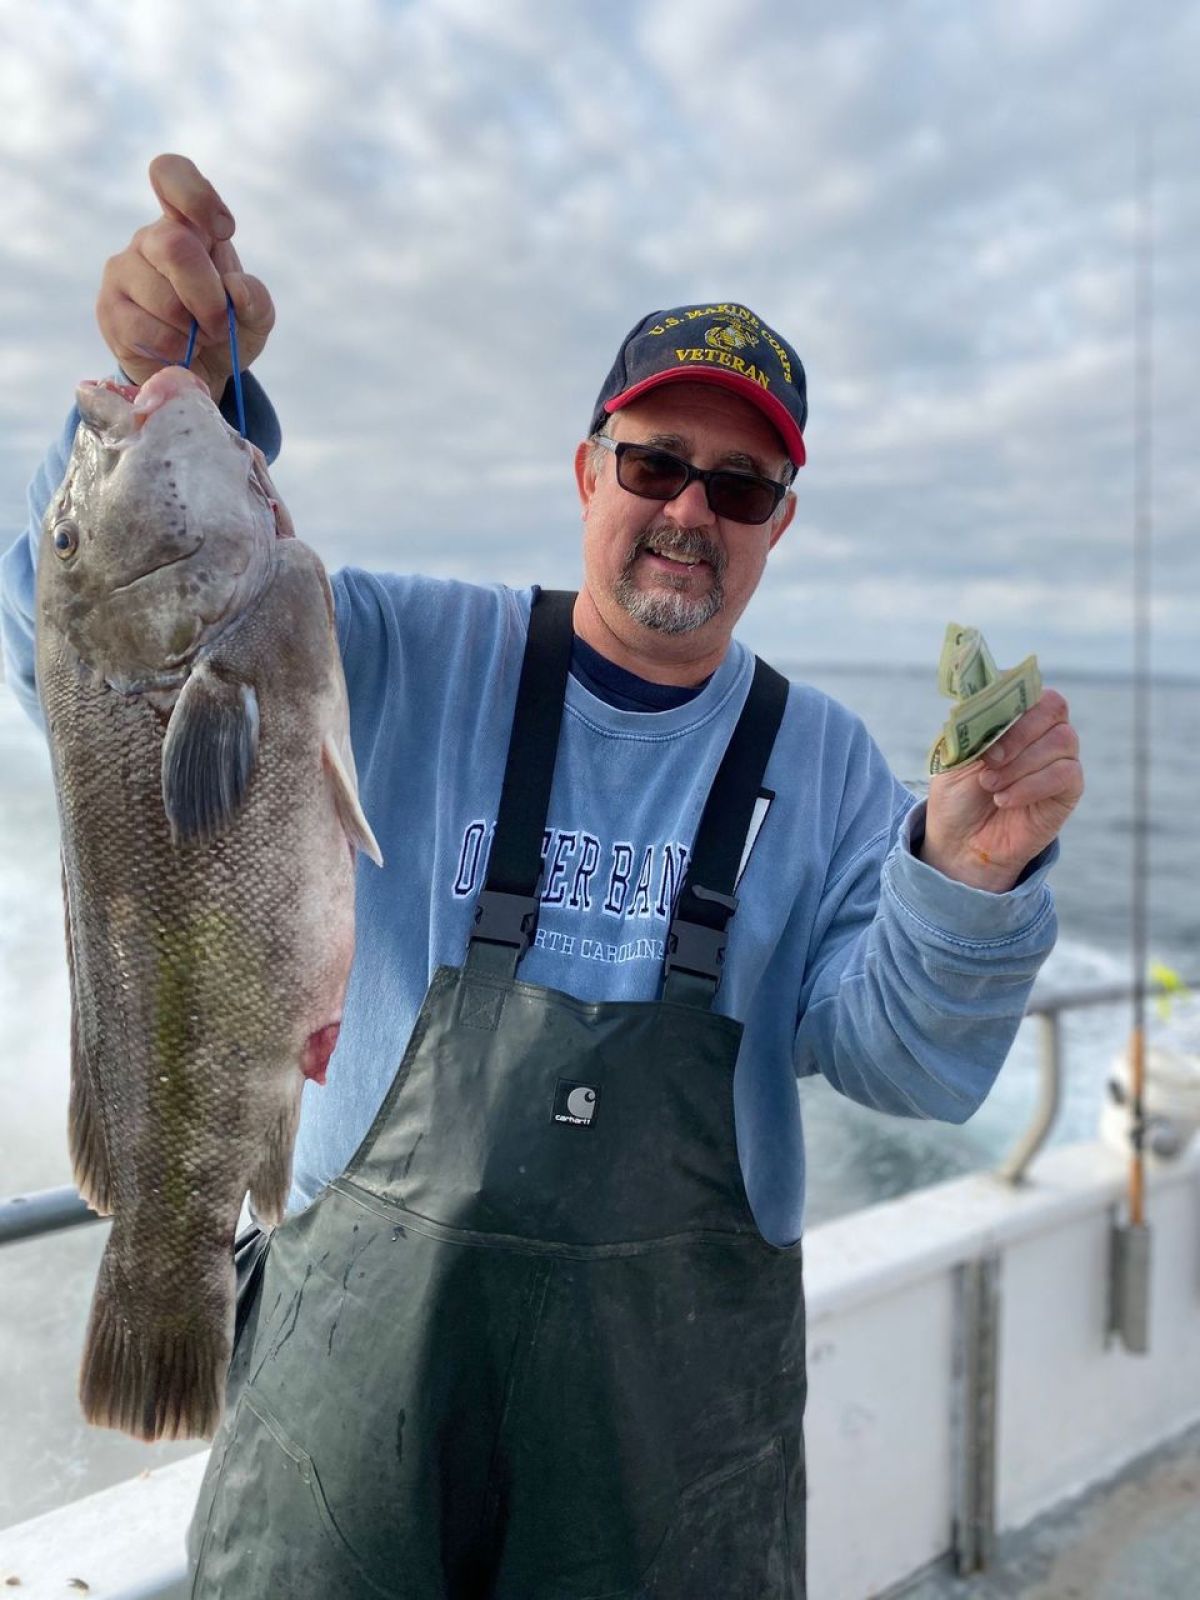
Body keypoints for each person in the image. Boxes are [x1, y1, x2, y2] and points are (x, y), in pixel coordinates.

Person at [0, 156, 1083, 1599]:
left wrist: (972, 881)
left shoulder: (823, 768)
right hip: (342, 1393)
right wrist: (169, 390)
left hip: (665, 1450)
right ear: (588, 473)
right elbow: (76, 649)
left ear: (778, 524)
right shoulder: (374, 647)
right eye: (654, 463)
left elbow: (910, 1066)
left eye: (741, 481)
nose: (691, 508)